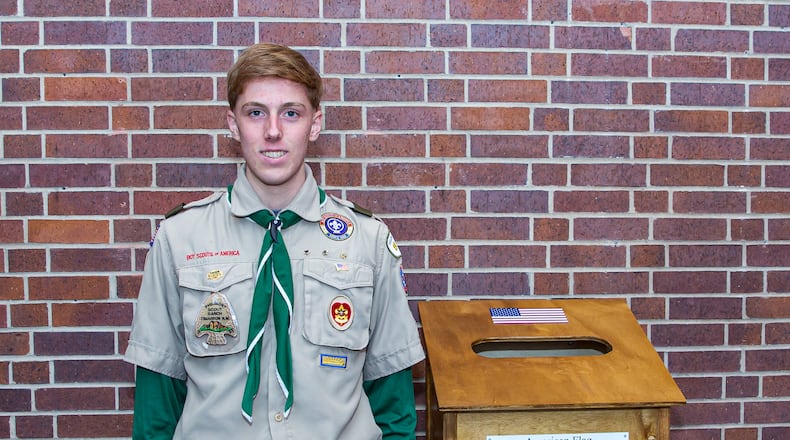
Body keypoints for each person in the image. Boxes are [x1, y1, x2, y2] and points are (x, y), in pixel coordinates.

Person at [124, 43, 425, 439]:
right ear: (233, 124)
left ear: (315, 124)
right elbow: (157, 401)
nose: (272, 131)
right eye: (255, 113)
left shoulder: (368, 242)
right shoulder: (180, 239)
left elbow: (394, 404)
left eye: (291, 113)